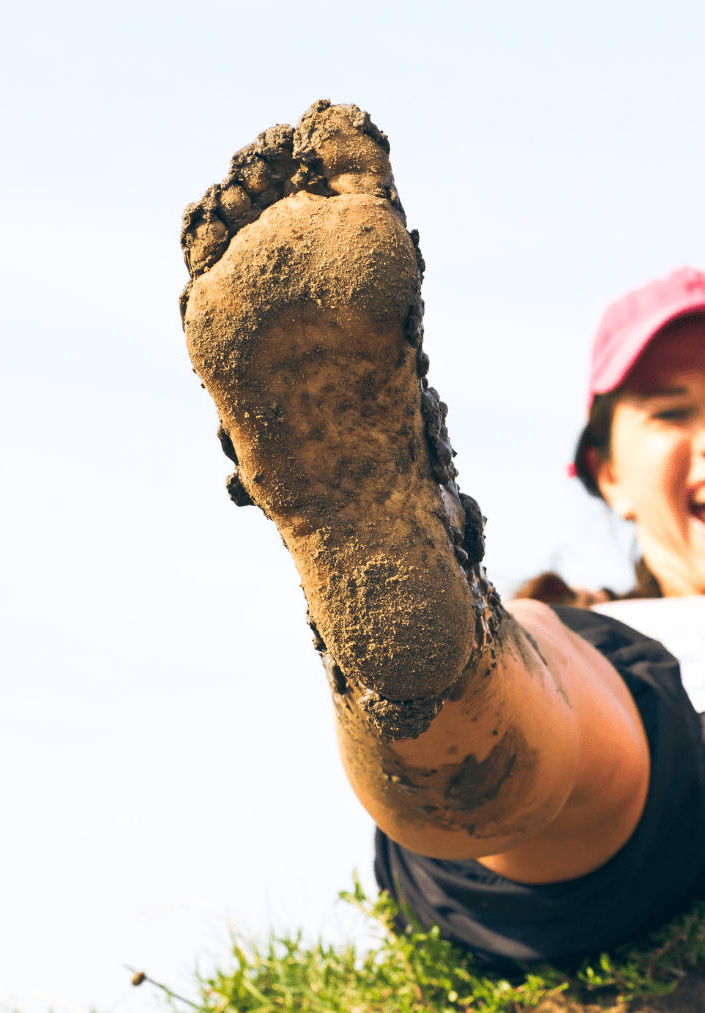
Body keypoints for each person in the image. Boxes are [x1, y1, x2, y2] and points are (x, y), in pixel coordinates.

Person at [179, 99, 705, 972]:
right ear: (607, 470)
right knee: (561, 655)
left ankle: (426, 666)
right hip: (572, 828)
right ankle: (432, 656)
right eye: (672, 412)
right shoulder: (601, 627)